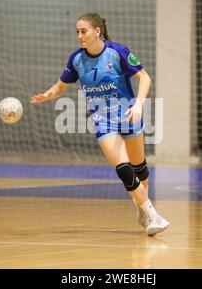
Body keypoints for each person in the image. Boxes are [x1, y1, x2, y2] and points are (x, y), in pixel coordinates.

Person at [30, 12, 169, 236]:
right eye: (77, 32)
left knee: (140, 169)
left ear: (97, 31)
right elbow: (61, 86)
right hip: (102, 121)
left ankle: (141, 207)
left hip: (128, 114)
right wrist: (48, 95)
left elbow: (145, 78)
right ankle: (153, 215)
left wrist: (139, 105)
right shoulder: (76, 59)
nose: (79, 36)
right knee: (124, 170)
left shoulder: (118, 52)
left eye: (83, 31)